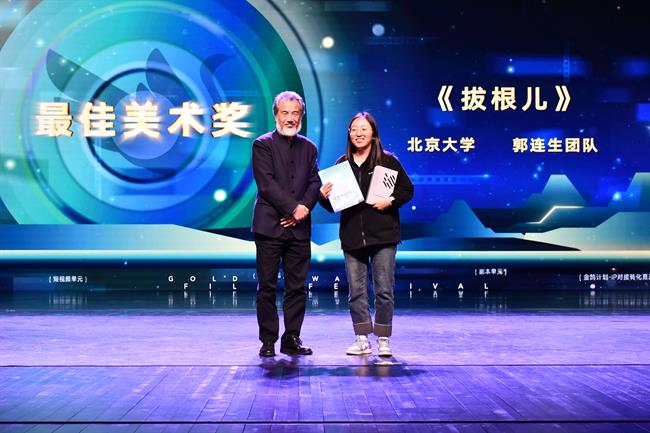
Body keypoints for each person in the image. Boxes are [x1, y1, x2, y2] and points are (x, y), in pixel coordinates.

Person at [319, 112, 413, 357]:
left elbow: (407, 189)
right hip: (352, 237)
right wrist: (323, 197)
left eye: (364, 129)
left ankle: (383, 338)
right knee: (356, 292)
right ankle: (361, 339)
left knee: (384, 290)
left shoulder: (388, 161)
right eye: (354, 129)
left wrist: (390, 201)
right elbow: (332, 206)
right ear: (349, 134)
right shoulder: (342, 164)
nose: (359, 133)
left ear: (373, 133)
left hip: (383, 237)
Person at [251, 91, 321, 357]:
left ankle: (291, 338)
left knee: (296, 288)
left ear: (301, 115)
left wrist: (303, 209)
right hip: (269, 227)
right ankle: (268, 340)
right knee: (267, 287)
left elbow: (314, 182)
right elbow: (266, 184)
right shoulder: (262, 145)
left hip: (299, 230)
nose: (290, 118)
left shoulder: (309, 148)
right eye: (285, 113)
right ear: (276, 115)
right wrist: (294, 208)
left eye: (295, 113)